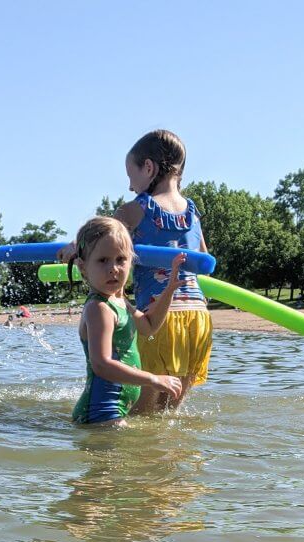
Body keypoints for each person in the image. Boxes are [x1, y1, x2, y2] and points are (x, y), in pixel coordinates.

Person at [59, 129, 211, 412]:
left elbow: (102, 236)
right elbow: (202, 259)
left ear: (149, 167)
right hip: (197, 317)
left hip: (159, 315)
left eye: (131, 176)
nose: (130, 186)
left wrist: (73, 247)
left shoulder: (137, 208)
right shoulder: (193, 211)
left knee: (141, 412)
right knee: (169, 413)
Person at [72, 217, 183, 425]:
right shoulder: (99, 308)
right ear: (83, 267)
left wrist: (169, 290)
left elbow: (149, 327)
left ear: (131, 262)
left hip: (113, 413)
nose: (113, 268)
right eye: (103, 260)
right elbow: (101, 364)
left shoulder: (119, 301)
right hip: (100, 414)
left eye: (120, 259)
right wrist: (153, 379)